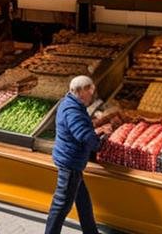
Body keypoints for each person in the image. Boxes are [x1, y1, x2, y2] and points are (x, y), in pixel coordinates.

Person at [45, 75, 112, 234]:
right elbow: (83, 135)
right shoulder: (73, 111)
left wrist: (96, 131)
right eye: (90, 92)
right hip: (70, 162)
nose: (92, 95)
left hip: (70, 159)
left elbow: (80, 130)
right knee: (61, 205)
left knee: (83, 200)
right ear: (81, 91)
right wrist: (99, 143)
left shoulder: (69, 102)